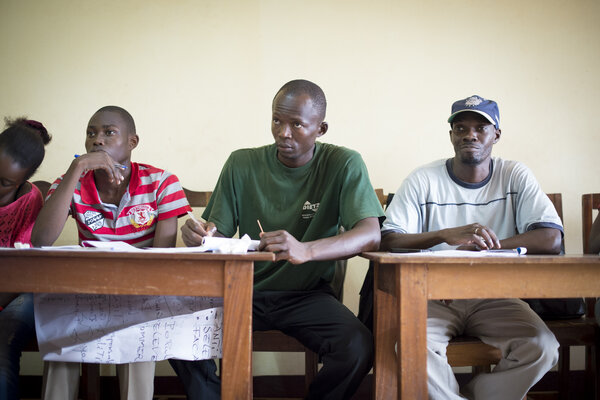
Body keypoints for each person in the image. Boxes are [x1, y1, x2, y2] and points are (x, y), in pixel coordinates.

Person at [169, 79, 384, 400]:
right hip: (239, 291)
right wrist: (200, 235)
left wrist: (305, 249)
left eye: (296, 124)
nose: (283, 132)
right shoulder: (241, 163)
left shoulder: (343, 163)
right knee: (172, 330)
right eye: (277, 121)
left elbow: (370, 234)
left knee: (358, 346)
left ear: (321, 129)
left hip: (308, 297)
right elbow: (217, 234)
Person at [378, 95, 562, 399]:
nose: (470, 135)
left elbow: (551, 238)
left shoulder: (514, 174)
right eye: (461, 128)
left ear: (496, 135)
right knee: (410, 343)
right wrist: (446, 235)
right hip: (433, 295)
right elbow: (389, 240)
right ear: (451, 135)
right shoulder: (424, 178)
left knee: (543, 347)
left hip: (495, 295)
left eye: (480, 127)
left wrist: (486, 248)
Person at [31, 106, 191, 400]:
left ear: (133, 142)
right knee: (61, 323)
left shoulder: (162, 183)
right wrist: (76, 169)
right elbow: (40, 239)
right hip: (83, 290)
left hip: (141, 290)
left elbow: (161, 262)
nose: (97, 140)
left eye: (109, 132)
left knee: (140, 329)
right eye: (91, 133)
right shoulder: (71, 182)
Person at [0, 118, 51, 400]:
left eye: (4, 183)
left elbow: (26, 269)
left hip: (18, 290)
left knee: (2, 340)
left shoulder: (31, 200)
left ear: (24, 180)